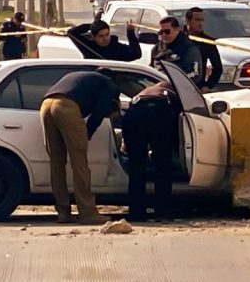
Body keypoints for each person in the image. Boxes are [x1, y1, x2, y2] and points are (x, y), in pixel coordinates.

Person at [40, 69, 120, 224]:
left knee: (56, 162)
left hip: (46, 104)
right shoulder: (109, 84)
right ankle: (88, 213)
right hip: (66, 107)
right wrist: (87, 134)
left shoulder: (81, 78)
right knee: (80, 164)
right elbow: (100, 112)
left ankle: (63, 212)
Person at [121, 80, 182, 221]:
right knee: (162, 166)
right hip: (158, 113)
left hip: (133, 115)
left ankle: (136, 212)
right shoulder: (173, 93)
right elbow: (178, 122)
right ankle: (163, 212)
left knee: (136, 167)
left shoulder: (143, 93)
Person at [151, 16, 203, 83]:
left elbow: (196, 75)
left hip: (177, 88)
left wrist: (173, 81)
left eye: (167, 31)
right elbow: (151, 68)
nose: (163, 35)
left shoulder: (189, 49)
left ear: (177, 29)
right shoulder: (157, 48)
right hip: (156, 84)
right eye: (161, 32)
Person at [184, 7, 223, 92]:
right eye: (197, 20)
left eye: (202, 20)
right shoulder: (178, 38)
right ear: (188, 21)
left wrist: (208, 85)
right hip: (177, 86)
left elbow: (218, 67)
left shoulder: (207, 42)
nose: (200, 23)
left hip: (197, 88)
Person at [66, 19, 141, 61]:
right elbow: (71, 33)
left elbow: (136, 54)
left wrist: (130, 33)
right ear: (93, 37)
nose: (105, 39)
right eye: (101, 36)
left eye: (107, 34)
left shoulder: (117, 47)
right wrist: (92, 25)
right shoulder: (88, 47)